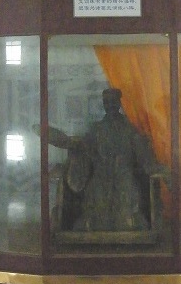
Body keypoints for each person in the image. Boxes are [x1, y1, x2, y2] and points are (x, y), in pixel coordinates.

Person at [63, 88, 169, 232]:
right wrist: (76, 150)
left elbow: (144, 158)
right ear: (103, 104)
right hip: (100, 178)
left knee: (129, 204)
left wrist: (158, 168)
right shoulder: (95, 130)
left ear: (119, 103)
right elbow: (85, 152)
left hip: (124, 177)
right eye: (106, 102)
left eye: (113, 101)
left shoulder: (129, 130)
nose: (110, 105)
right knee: (95, 201)